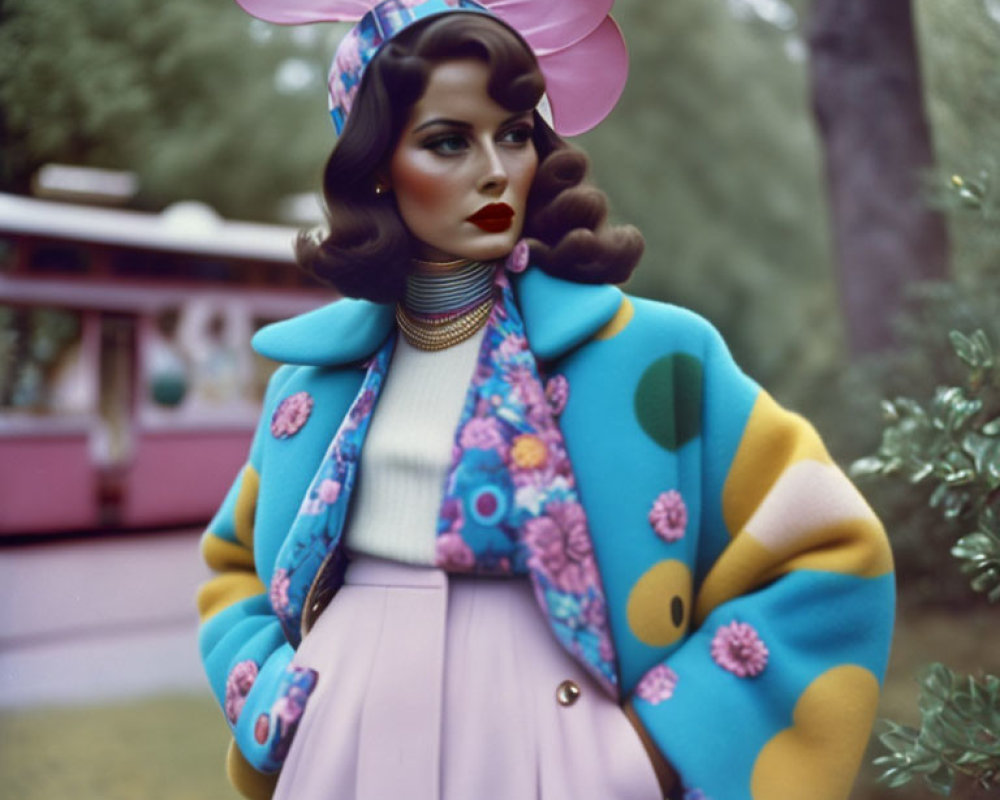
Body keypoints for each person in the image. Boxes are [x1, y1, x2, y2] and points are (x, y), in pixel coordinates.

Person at [197, 2, 895, 799]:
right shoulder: (311, 382)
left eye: (516, 132)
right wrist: (272, 701)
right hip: (338, 747)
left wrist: (659, 748)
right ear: (379, 164)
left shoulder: (655, 357)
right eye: (448, 141)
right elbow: (232, 568)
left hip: (555, 755)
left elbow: (827, 547)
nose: (495, 168)